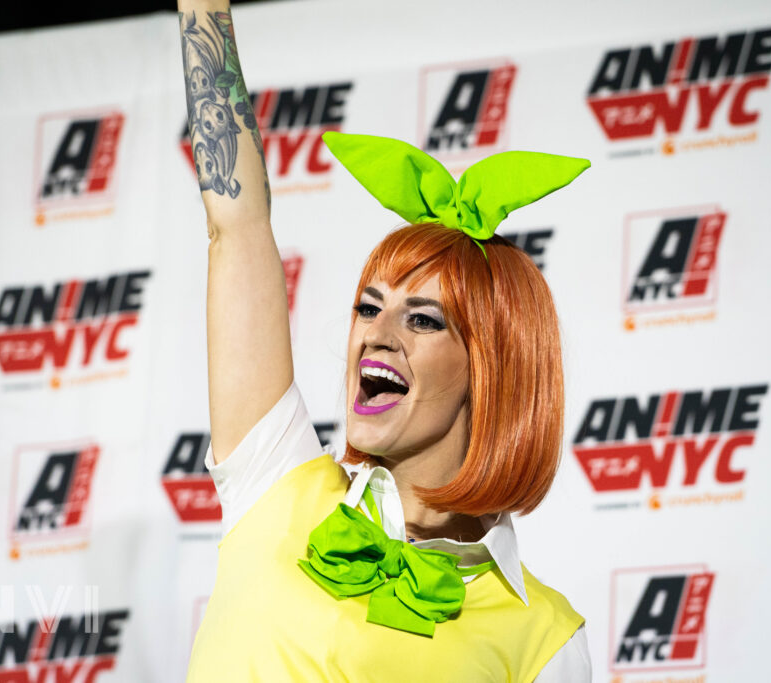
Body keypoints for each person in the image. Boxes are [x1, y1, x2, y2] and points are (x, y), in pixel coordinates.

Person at [177, 1, 592, 680]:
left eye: (422, 318)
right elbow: (238, 225)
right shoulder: (274, 482)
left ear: (491, 368)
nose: (377, 332)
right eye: (369, 307)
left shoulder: (544, 639)